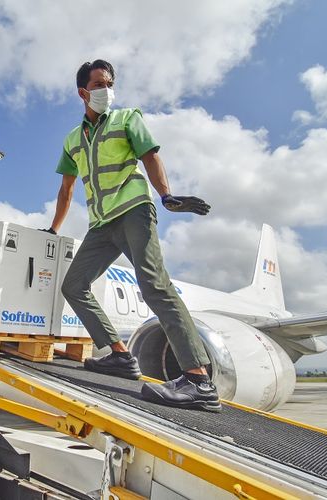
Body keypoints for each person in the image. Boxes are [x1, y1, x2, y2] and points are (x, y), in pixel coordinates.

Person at [45, 59, 218, 412]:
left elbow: (151, 157)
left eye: (110, 83)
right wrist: (53, 229)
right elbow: (66, 190)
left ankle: (198, 380)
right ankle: (120, 355)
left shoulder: (127, 119)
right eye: (100, 84)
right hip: (100, 223)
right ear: (83, 92)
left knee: (154, 285)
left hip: (133, 209)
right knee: (73, 285)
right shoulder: (72, 140)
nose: (107, 90)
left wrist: (166, 195)